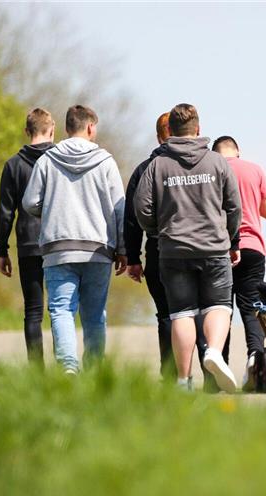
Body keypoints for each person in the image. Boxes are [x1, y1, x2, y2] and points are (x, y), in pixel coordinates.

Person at [133, 103, 242, 392]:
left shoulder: (157, 165)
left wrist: (159, 231)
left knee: (181, 313)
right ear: (198, 129)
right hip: (214, 249)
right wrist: (229, 238)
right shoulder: (217, 163)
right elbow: (234, 207)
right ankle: (215, 353)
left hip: (173, 250)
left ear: (172, 131)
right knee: (218, 307)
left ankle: (183, 380)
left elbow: (141, 208)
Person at [21, 104, 127, 373]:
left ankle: (68, 367)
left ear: (67, 128)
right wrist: (125, 249)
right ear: (91, 127)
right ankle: (94, 368)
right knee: (94, 314)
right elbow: (119, 208)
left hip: (58, 248)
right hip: (98, 249)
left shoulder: (47, 160)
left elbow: (30, 202)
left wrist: (51, 209)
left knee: (61, 310)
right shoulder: (106, 161)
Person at [211, 135, 266, 389]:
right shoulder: (255, 169)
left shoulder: (213, 170)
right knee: (251, 309)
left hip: (221, 249)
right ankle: (254, 357)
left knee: (221, 309)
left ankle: (221, 365)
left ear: (216, 154)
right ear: (238, 151)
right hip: (254, 249)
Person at [0, 107, 55, 365]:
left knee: (33, 312)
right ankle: (67, 367)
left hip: (28, 244)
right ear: (52, 130)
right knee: (61, 310)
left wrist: (2, 249)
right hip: (57, 242)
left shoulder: (13, 165)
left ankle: (36, 372)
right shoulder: (59, 160)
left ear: (26, 131)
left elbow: (6, 211)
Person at [124, 112, 175, 378]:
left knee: (166, 314)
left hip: (157, 248)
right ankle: (205, 373)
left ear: (158, 136)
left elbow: (132, 217)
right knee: (195, 311)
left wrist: (133, 257)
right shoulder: (200, 165)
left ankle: (170, 373)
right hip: (198, 247)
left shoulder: (144, 169)